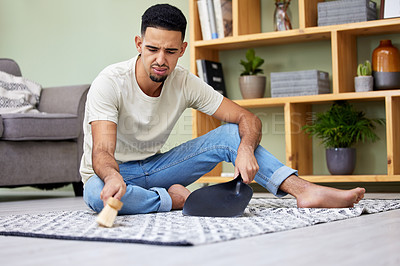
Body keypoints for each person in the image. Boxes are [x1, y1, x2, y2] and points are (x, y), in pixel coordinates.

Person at [80, 4, 365, 215]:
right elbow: (102, 152)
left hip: (157, 167)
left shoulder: (185, 82)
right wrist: (114, 177)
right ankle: (172, 200)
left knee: (231, 135)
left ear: (182, 49)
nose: (160, 60)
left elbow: (247, 118)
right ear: (139, 44)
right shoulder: (110, 83)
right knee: (95, 195)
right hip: (110, 173)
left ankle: (304, 191)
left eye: (170, 51)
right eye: (152, 49)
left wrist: (245, 148)